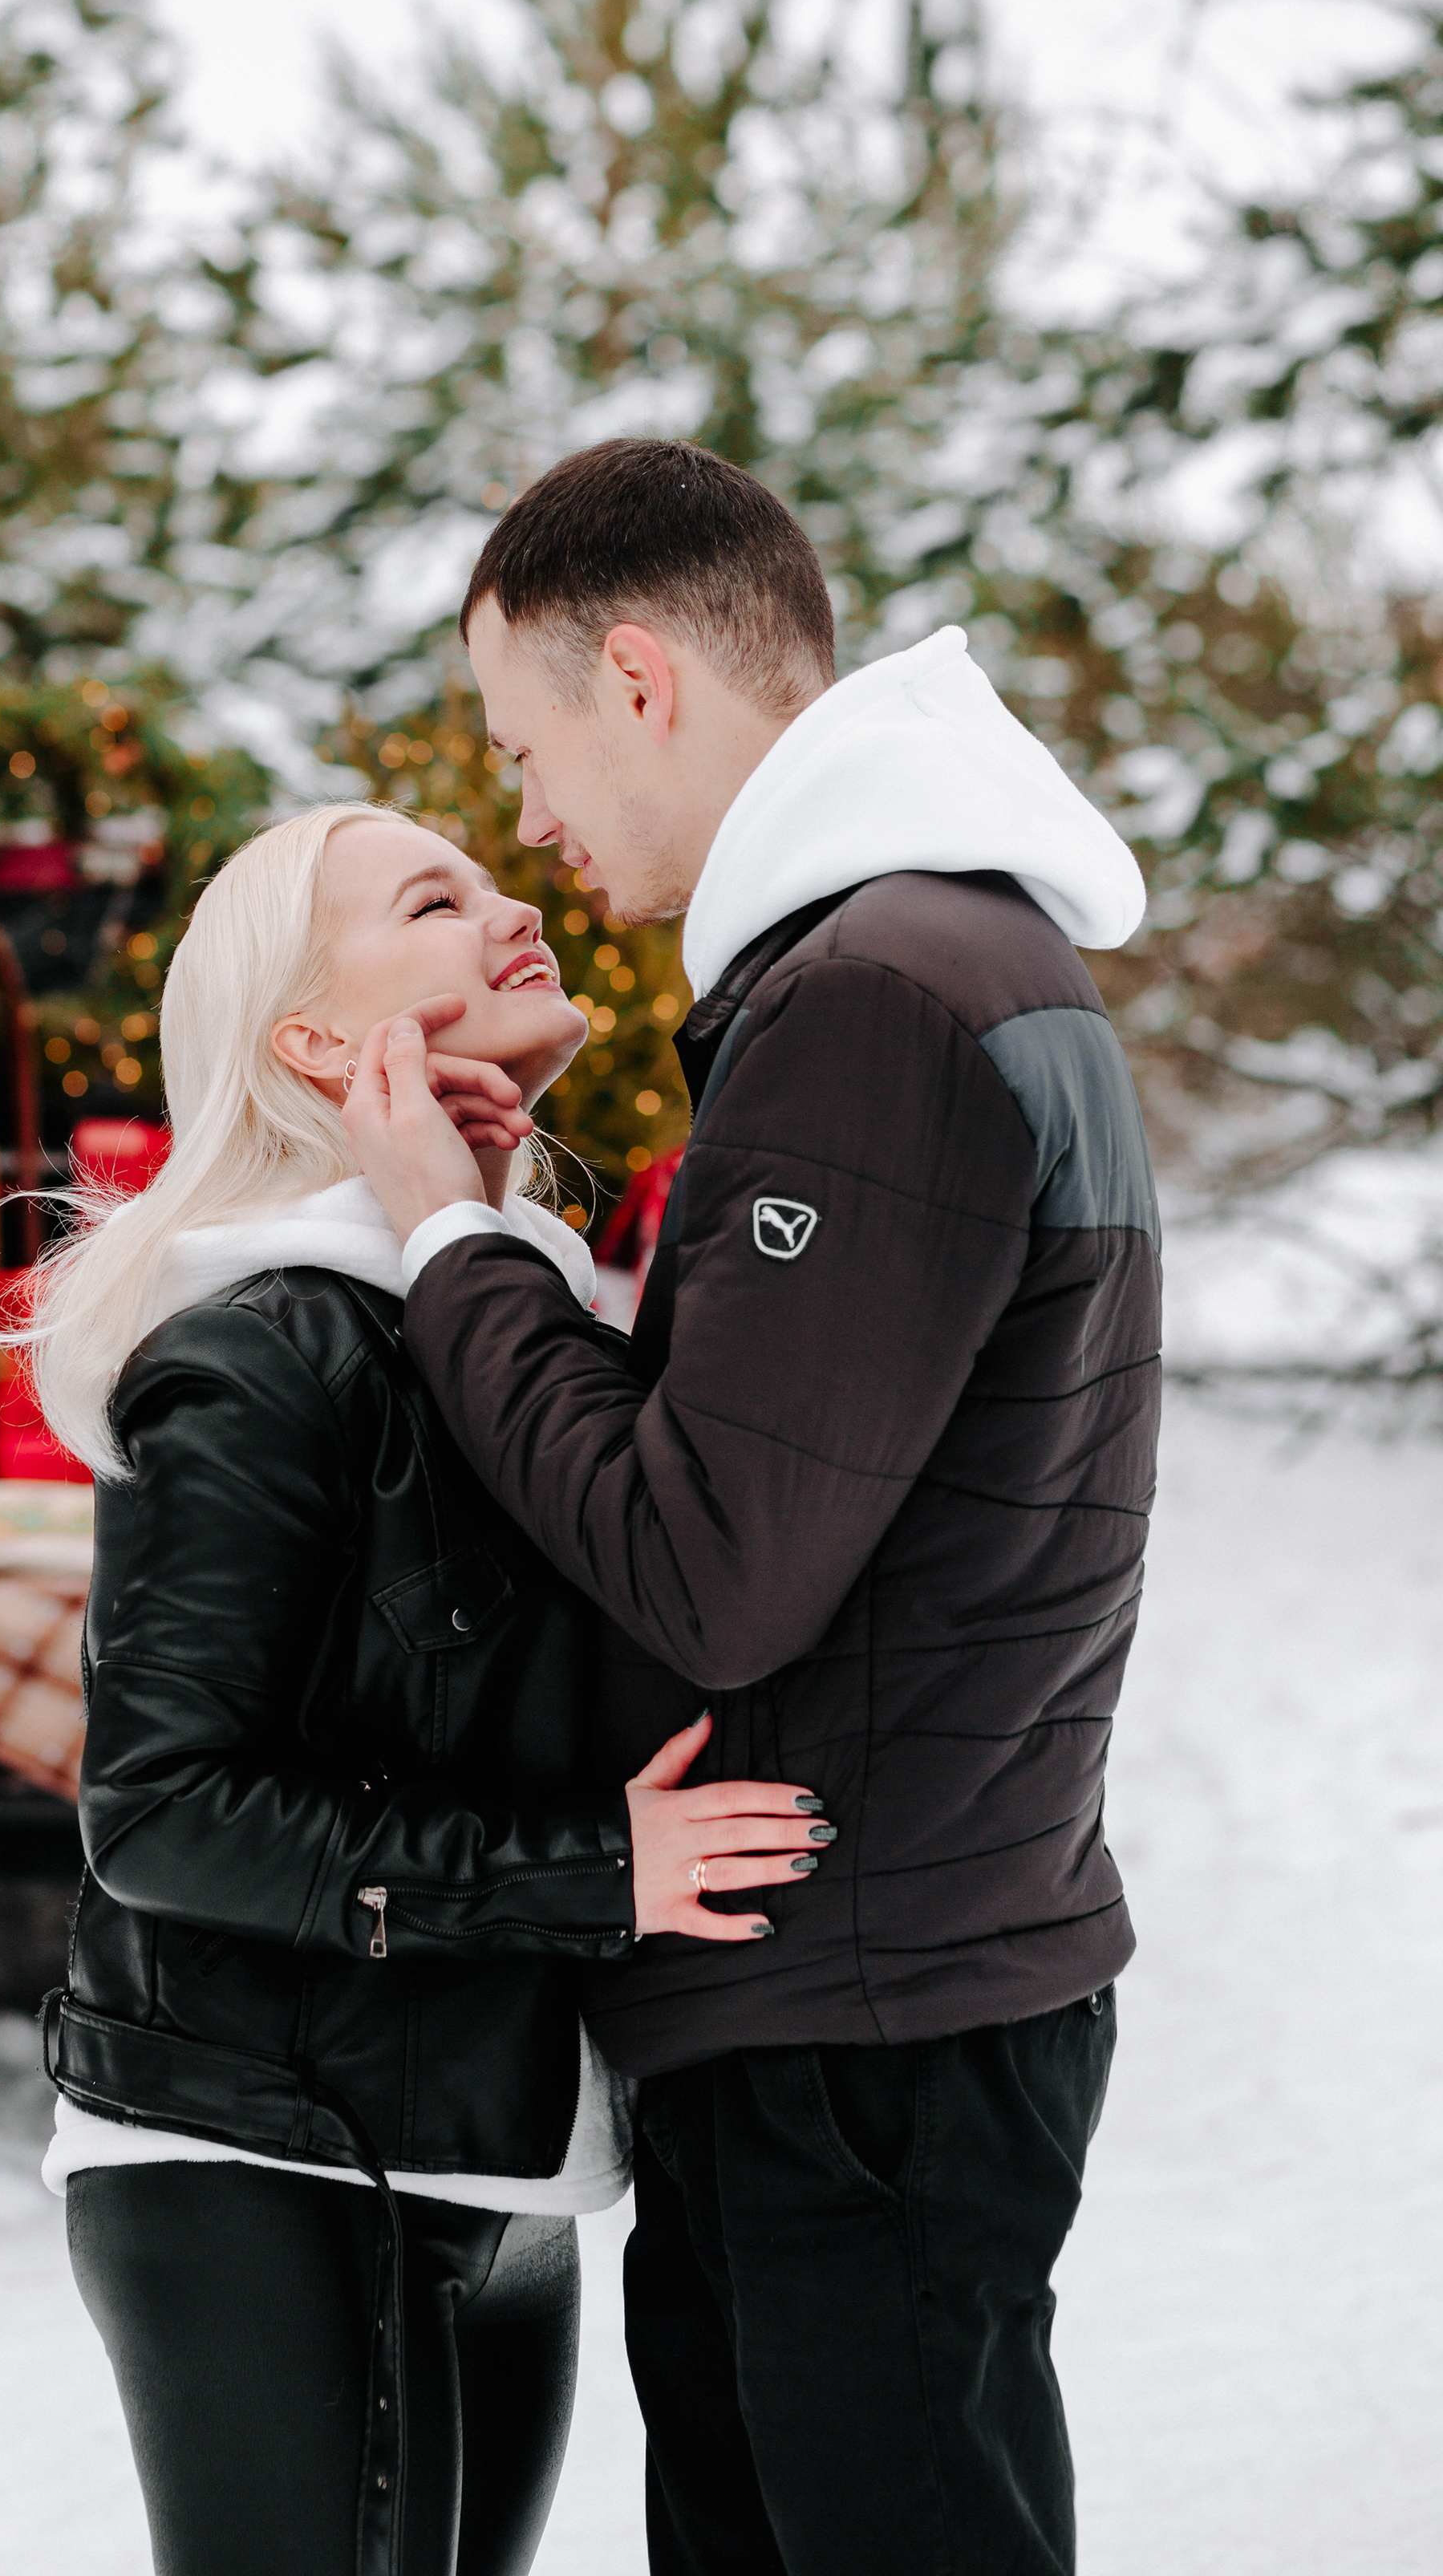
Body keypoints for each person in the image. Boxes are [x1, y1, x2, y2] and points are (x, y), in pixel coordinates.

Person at [344, 436, 1159, 2576]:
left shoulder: (875, 994)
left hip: (858, 2025)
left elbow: (715, 1564)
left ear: (637, 678)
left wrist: (456, 1245)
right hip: (876, 1976)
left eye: (521, 744)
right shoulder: (938, 965)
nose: (521, 814)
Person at [26, 801, 833, 2576]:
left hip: (497, 2152)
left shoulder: (503, 1325)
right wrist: (591, 1872)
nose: (512, 905)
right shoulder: (260, 1348)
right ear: (316, 1040)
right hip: (265, 2155)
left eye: (492, 876)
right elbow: (158, 1818)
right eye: (433, 898)